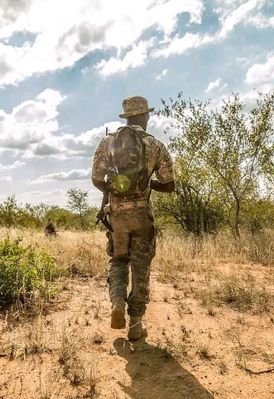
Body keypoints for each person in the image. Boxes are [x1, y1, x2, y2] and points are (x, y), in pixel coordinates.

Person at [91, 96, 175, 341]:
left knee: (118, 260)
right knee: (141, 267)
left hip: (116, 215)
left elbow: (96, 178)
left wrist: (114, 189)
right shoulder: (155, 145)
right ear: (145, 117)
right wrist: (148, 184)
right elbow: (169, 185)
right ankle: (136, 323)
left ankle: (117, 302)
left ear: (126, 117)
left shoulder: (108, 142)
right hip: (142, 215)